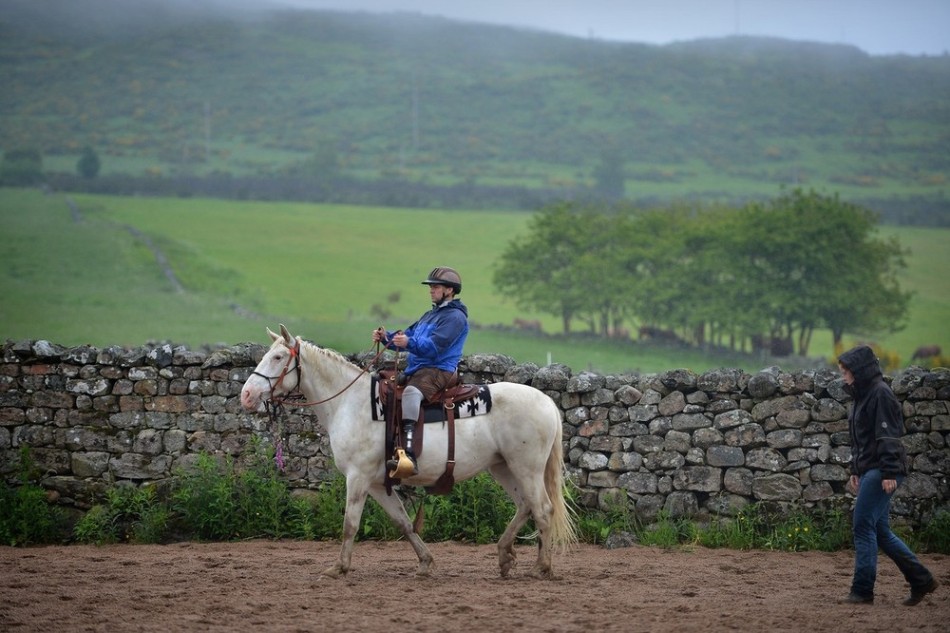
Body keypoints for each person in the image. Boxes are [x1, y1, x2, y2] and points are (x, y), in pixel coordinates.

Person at [838, 345, 939, 606]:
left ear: (858, 370)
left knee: (862, 526)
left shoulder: (880, 394)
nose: (843, 377)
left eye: (846, 372)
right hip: (873, 469)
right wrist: (856, 470)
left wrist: (889, 470)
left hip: (883, 470)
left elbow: (887, 434)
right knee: (880, 531)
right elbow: (861, 440)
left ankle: (862, 591)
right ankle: (921, 580)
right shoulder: (863, 395)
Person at [372, 266, 469, 476]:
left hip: (438, 369)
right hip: (419, 368)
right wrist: (387, 337)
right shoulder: (430, 315)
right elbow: (407, 335)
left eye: (436, 287)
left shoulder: (455, 318)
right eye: (431, 287)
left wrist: (408, 342)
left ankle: (409, 456)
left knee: (411, 393)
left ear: (450, 290)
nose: (431, 290)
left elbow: (434, 347)